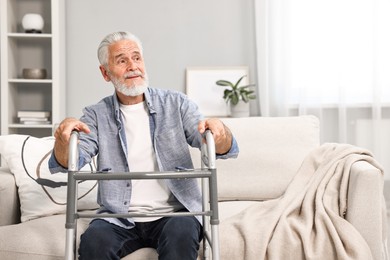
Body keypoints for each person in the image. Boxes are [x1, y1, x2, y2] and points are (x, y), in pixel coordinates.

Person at [49, 31, 239, 260]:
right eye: (121, 60)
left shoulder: (176, 103)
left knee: (182, 235)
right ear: (105, 73)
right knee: (94, 244)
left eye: (137, 58)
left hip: (175, 214)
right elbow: (69, 161)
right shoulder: (96, 114)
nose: (132, 66)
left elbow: (217, 146)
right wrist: (62, 138)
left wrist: (220, 132)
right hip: (118, 217)